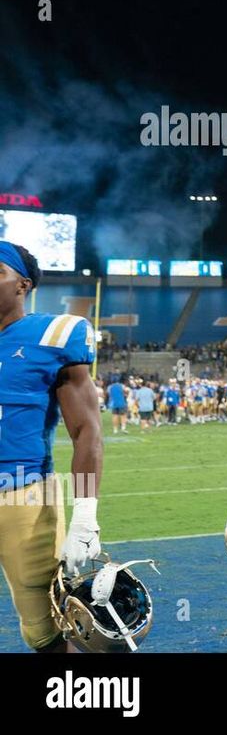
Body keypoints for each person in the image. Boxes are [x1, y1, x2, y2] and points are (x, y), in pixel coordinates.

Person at [0, 241, 104, 652]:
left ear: (23, 285)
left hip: (21, 496)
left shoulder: (55, 334)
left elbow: (87, 431)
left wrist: (85, 516)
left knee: (46, 630)